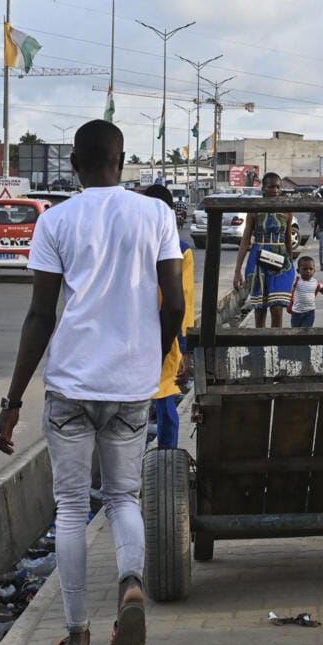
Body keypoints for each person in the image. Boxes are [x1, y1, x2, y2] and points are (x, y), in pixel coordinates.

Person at [0, 120, 184, 645]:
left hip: (71, 386)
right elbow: (177, 302)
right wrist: (156, 354)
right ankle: (130, 587)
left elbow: (39, 316)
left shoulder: (55, 220)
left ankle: (77, 633)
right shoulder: (156, 214)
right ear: (122, 163)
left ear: (74, 165)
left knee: (73, 508)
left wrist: (13, 401)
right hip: (131, 387)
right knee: (124, 499)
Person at [142, 184, 195, 449]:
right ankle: (167, 457)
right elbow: (182, 303)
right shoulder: (180, 248)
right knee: (164, 400)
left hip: (130, 333)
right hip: (166, 333)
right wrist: (183, 348)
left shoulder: (129, 243)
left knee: (128, 406)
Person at [233, 172, 295, 330]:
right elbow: (245, 241)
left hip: (281, 259)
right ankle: (260, 347)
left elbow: (288, 239)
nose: (275, 190)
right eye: (271, 186)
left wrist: (291, 263)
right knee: (260, 309)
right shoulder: (254, 210)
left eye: (278, 187)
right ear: (263, 188)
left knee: (277, 307)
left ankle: (276, 346)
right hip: (258, 258)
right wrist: (237, 270)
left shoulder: (287, 210)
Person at [286, 254, 323, 327]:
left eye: (311, 269)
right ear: (298, 270)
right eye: (305, 269)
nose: (308, 271)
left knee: (306, 331)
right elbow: (288, 288)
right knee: (295, 332)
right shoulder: (296, 281)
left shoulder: (316, 283)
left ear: (314, 271)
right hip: (296, 313)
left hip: (310, 312)